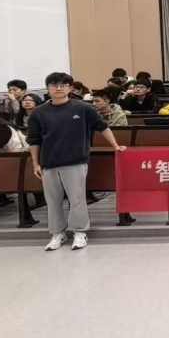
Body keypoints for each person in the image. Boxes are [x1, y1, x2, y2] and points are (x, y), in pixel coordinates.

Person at [26, 72, 125, 251]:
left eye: (63, 85)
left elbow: (102, 127)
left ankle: (80, 232)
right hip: (49, 162)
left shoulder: (82, 108)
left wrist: (115, 146)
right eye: (54, 85)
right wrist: (35, 163)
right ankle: (58, 233)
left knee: (77, 199)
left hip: (75, 161)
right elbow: (34, 140)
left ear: (70, 88)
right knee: (53, 201)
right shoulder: (38, 113)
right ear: (47, 88)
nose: (59, 88)